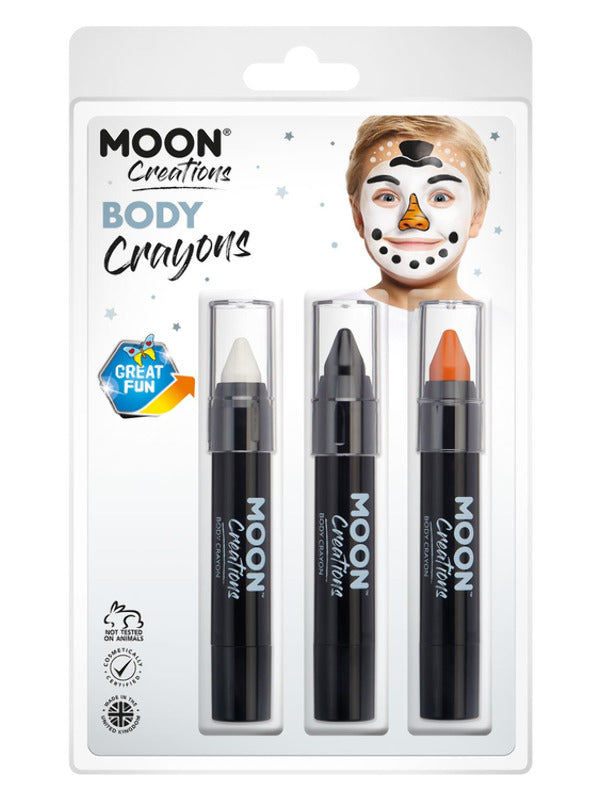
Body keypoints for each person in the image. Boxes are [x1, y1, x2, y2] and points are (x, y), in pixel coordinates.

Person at [346, 115, 491, 309]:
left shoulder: (499, 324)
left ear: (477, 216)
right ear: (358, 216)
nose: (413, 219)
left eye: (440, 198)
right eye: (388, 198)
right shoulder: (331, 316)